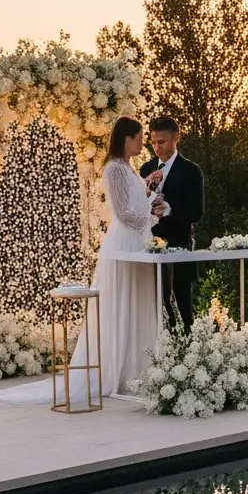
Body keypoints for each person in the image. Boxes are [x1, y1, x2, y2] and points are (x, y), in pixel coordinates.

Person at [92, 114, 162, 396]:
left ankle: (137, 370)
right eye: (140, 138)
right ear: (126, 138)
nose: (143, 143)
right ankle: (120, 371)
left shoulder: (128, 168)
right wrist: (151, 216)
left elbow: (134, 201)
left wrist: (147, 187)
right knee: (124, 301)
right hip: (125, 242)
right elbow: (123, 212)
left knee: (138, 300)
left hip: (137, 240)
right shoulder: (115, 169)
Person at [143, 115, 206, 327]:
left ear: (176, 138)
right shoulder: (146, 169)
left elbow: (197, 212)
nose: (156, 148)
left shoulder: (191, 171)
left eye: (161, 142)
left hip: (180, 246)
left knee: (183, 305)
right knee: (155, 306)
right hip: (151, 247)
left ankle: (187, 341)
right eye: (153, 142)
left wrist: (170, 210)